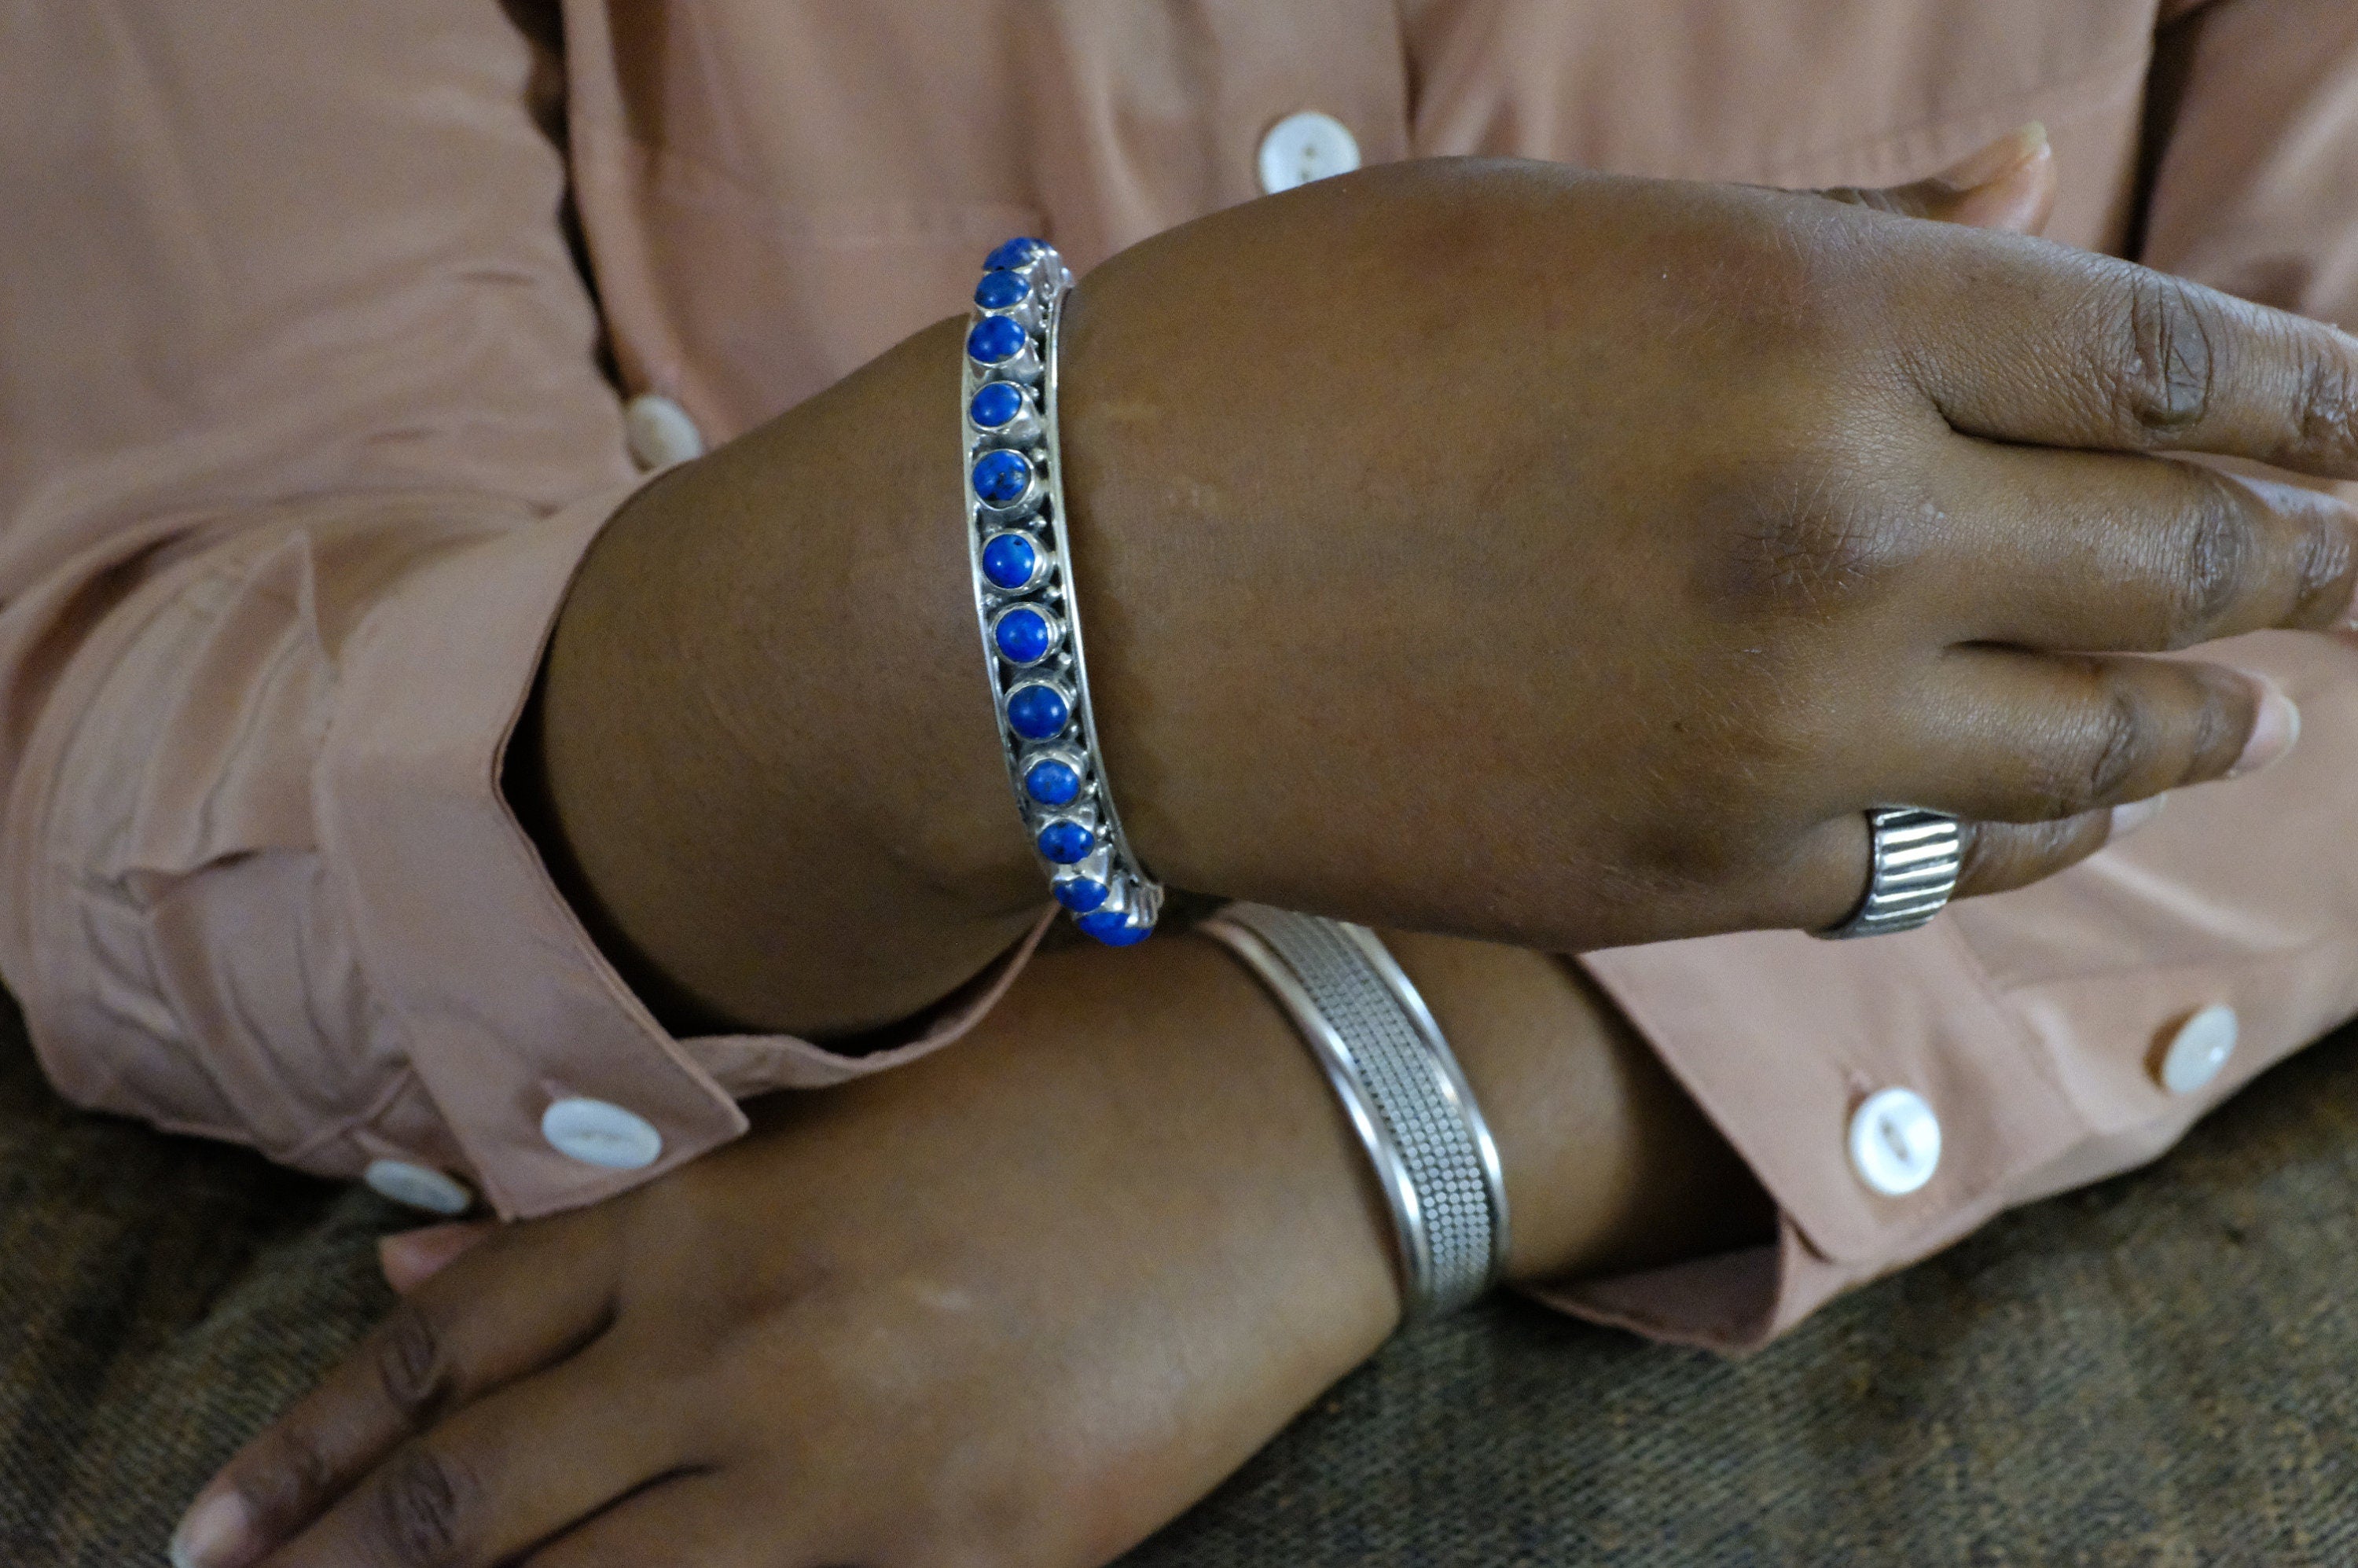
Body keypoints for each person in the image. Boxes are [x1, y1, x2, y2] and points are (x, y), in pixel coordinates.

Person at [2, 2, 2354, 1564]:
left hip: (1968, 1140)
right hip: (590, 1177)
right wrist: (1027, 603)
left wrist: (1355, 1078)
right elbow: (178, 679)